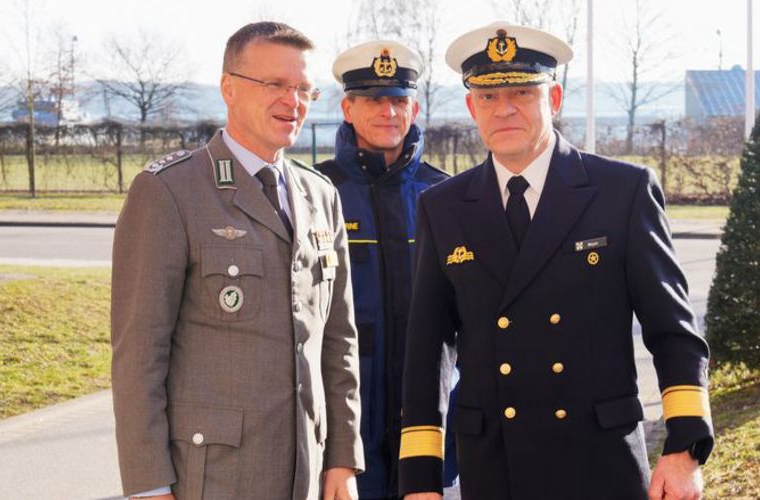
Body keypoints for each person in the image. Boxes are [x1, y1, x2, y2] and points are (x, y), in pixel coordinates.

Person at [398, 21, 714, 500]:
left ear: (556, 98)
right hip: (494, 465)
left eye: (523, 92)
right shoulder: (443, 207)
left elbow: (673, 330)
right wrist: (420, 478)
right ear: (470, 107)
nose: (504, 109)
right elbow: (427, 349)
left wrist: (685, 448)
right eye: (486, 97)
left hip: (598, 460)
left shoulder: (621, 192)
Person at [111, 22, 363, 500]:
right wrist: (148, 486)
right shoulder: (170, 191)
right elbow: (139, 355)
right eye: (275, 84)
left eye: (304, 89)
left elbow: (338, 340)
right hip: (212, 479)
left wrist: (343, 458)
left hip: (307, 472)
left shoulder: (321, 195)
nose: (293, 101)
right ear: (229, 88)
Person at [315, 40, 458, 500]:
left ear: (414, 108)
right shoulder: (316, 193)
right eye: (374, 100)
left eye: (399, 101)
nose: (389, 113)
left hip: (429, 407)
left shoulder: (447, 196)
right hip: (345, 413)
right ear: (348, 108)